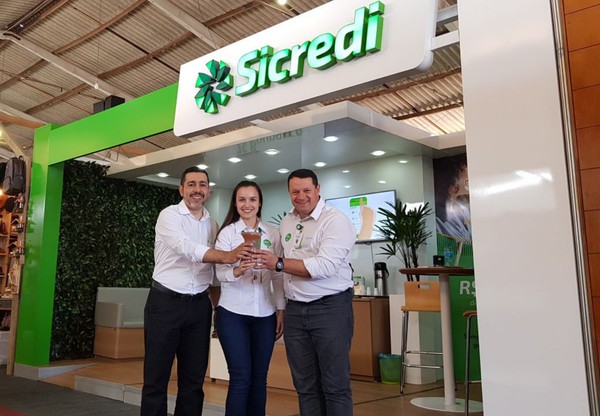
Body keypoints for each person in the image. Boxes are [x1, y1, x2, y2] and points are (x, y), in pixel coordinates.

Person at [141, 167, 252, 416]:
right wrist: (227, 256)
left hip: (200, 307)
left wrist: (218, 311)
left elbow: (213, 276)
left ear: (209, 191)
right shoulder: (169, 216)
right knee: (155, 379)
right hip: (165, 303)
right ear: (182, 189)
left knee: (193, 382)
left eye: (202, 184)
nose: (197, 190)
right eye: (191, 184)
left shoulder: (213, 225)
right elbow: (186, 247)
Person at [255, 169, 356, 416]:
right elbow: (282, 273)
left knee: (335, 385)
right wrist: (281, 307)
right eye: (295, 192)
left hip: (330, 309)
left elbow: (324, 267)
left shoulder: (336, 221)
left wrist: (278, 263)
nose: (301, 196)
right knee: (305, 387)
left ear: (318, 189)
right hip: (295, 311)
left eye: (307, 190)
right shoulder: (287, 222)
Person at [214, 180, 285, 416]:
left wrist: (280, 309)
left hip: (265, 314)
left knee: (259, 378)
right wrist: (237, 270)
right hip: (232, 313)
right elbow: (219, 274)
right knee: (240, 377)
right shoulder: (227, 233)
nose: (247, 204)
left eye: (252, 199)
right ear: (235, 203)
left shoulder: (272, 234)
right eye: (242, 199)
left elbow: (278, 274)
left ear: (260, 202)